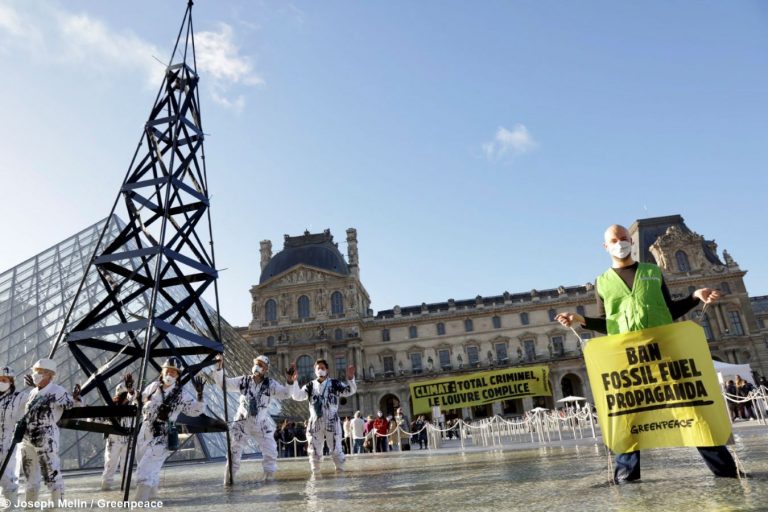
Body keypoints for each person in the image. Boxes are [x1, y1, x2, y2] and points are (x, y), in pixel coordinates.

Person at [555, 223, 739, 483]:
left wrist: (695, 296)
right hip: (628, 361)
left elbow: (669, 311)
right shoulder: (603, 283)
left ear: (630, 240)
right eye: (614, 240)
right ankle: (626, 479)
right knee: (627, 417)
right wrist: (580, 320)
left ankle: (727, 472)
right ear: (605, 246)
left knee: (691, 410)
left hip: (664, 354)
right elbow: (609, 323)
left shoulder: (653, 272)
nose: (620, 243)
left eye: (624, 238)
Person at [212, 354, 296, 484]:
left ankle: (269, 480)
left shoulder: (271, 384)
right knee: (233, 454)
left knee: (271, 452)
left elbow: (285, 394)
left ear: (266, 369)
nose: (257, 366)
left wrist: (290, 381)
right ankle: (229, 482)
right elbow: (224, 384)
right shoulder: (243, 381)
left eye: (261, 365)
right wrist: (218, 366)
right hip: (241, 423)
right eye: (256, 363)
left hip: (261, 424)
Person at [134, 358, 205, 500]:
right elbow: (140, 400)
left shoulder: (181, 394)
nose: (170, 375)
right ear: (162, 371)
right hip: (145, 431)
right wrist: (132, 392)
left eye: (174, 373)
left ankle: (139, 505)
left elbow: (195, 411)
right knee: (145, 465)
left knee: (144, 472)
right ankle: (153, 500)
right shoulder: (153, 387)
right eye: (168, 371)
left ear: (178, 376)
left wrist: (200, 396)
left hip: (163, 435)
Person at [19, 358, 82, 503]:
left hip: (46, 438)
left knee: (51, 475)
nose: (36, 374)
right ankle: (30, 507)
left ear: (49, 375)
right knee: (30, 478)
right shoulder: (33, 392)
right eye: (35, 371)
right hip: (27, 440)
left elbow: (71, 405)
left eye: (40, 372)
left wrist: (75, 397)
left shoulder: (58, 391)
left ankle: (57, 506)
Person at [290, 359, 356, 474]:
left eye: (322, 368)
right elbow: (297, 396)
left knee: (336, 449)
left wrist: (350, 379)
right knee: (314, 451)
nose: (320, 370)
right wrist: (294, 382)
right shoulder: (310, 385)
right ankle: (315, 474)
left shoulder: (334, 383)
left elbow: (350, 390)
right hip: (315, 422)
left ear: (327, 370)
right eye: (318, 368)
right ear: (314, 370)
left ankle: (340, 473)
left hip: (332, 421)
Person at [100, 374, 136, 491]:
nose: (126, 398)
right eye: (124, 395)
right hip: (113, 441)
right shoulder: (110, 407)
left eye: (127, 395)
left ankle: (126, 488)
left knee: (126, 467)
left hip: (127, 440)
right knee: (110, 466)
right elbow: (96, 418)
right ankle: (105, 488)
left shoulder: (134, 407)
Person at [0, 366, 30, 504]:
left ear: (11, 381)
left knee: (6, 477)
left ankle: (11, 505)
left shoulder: (20, 397)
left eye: (4, 379)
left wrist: (37, 388)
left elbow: (36, 404)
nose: (1, 382)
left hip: (9, 443)